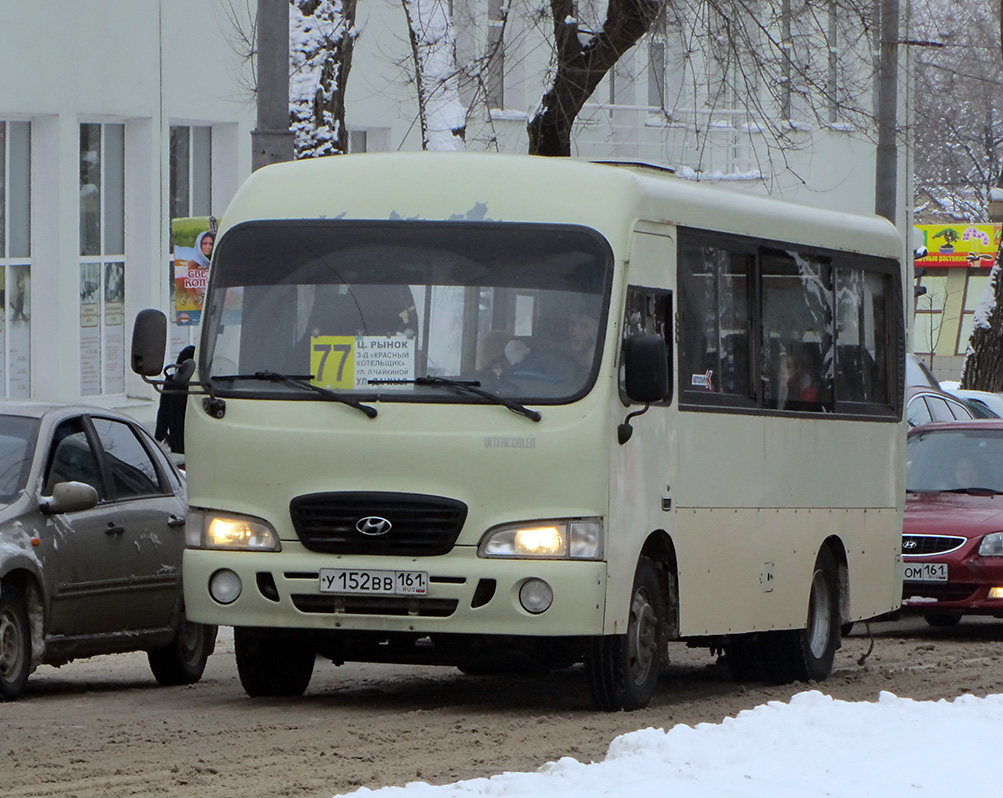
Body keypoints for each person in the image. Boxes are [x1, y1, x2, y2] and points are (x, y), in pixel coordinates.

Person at [156, 345, 195, 454]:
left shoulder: (172, 381)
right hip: (187, 433)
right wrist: (161, 434)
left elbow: (163, 410)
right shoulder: (201, 383)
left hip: (177, 434)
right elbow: (164, 409)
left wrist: (161, 434)